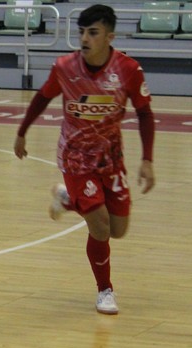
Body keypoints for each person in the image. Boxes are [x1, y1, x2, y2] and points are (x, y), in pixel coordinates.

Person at [14, 4, 155, 315]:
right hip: (76, 159)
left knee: (119, 230)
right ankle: (105, 290)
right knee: (101, 227)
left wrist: (147, 160)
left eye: (93, 33)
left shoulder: (128, 70)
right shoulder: (65, 67)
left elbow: (144, 113)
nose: (85, 39)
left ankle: (67, 200)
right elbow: (42, 97)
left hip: (111, 161)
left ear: (109, 36)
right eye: (81, 33)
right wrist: (22, 132)